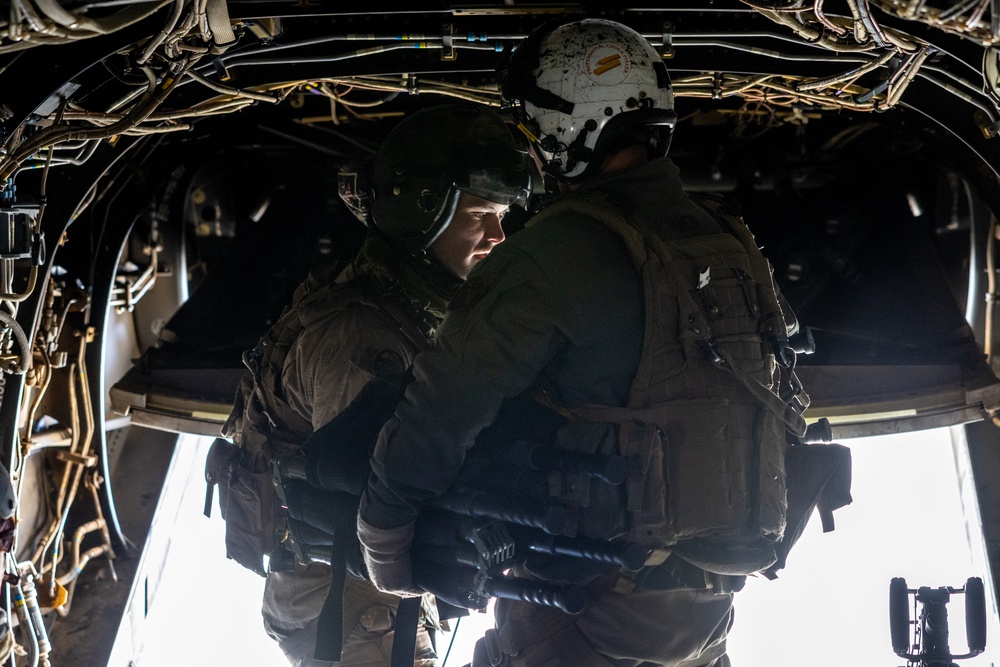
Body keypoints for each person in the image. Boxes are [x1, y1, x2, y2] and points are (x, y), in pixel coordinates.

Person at [357, 19, 809, 667]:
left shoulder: (560, 249)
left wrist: (386, 543)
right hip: (705, 614)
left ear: (566, 128)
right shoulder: (730, 244)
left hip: (589, 608)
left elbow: (443, 401)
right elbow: (783, 396)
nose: (534, 154)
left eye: (532, 134)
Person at [213, 102, 534, 667]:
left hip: (353, 595)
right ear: (424, 215)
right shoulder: (364, 337)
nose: (497, 236)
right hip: (352, 602)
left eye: (502, 214)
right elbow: (378, 498)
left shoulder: (389, 302)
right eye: (480, 214)